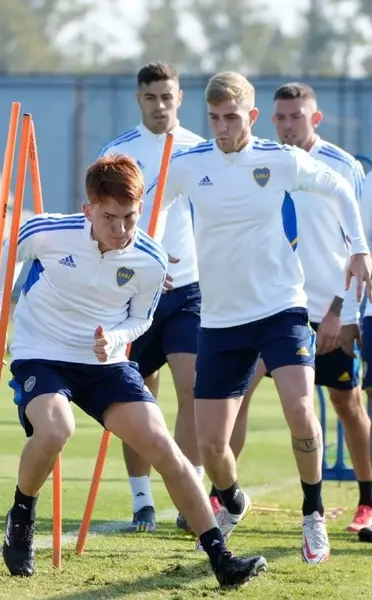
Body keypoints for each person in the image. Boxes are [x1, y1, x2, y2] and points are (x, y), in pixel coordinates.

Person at [0, 154, 267, 587]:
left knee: (164, 447)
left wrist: (118, 337)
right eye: (110, 218)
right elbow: (5, 263)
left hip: (105, 363)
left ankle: (220, 557)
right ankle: (22, 516)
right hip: (41, 353)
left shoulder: (151, 258)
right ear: (89, 209)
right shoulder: (48, 231)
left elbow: (141, 318)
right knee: (54, 430)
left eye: (130, 217)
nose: (121, 230)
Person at [154, 71, 372, 564]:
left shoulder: (279, 160)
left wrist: (359, 250)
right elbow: (156, 203)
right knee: (212, 445)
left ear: (251, 117)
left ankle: (314, 515)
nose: (222, 127)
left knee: (301, 407)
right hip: (220, 319)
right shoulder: (190, 165)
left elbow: (339, 189)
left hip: (281, 308)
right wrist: (154, 254)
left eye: (231, 117)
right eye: (213, 118)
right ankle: (232, 499)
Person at [231, 82, 372, 535]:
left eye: (297, 116)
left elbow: (355, 247)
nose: (288, 124)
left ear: (316, 118)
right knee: (238, 392)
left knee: (346, 404)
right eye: (280, 117)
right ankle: (222, 496)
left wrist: (339, 312)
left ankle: (367, 503)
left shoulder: (342, 168)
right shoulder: (263, 161)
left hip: (329, 311)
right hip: (270, 307)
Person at [96, 61, 210, 534]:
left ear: (179, 97)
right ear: (138, 100)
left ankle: (192, 496)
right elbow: (100, 222)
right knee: (137, 397)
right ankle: (142, 499)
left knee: (194, 389)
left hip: (188, 291)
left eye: (167, 96)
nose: (159, 105)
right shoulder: (118, 152)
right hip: (134, 289)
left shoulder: (200, 150)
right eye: (150, 97)